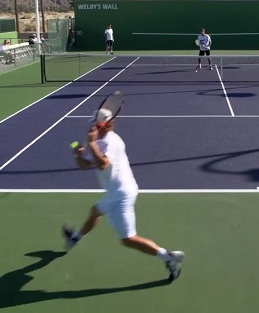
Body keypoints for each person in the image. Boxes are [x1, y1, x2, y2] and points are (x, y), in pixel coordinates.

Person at [63, 109, 185, 282]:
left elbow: (104, 164)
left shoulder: (112, 142)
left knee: (128, 239)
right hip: (115, 192)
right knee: (95, 211)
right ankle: (76, 237)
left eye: (95, 123)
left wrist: (91, 144)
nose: (92, 125)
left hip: (121, 195)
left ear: (102, 124)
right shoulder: (97, 140)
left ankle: (168, 258)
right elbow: (85, 166)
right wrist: (78, 155)